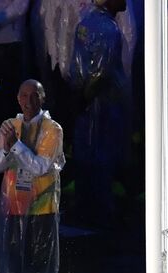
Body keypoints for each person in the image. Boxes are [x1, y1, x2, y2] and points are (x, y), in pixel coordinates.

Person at [0, 80, 64, 273]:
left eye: (34, 95)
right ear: (18, 98)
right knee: (14, 272)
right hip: (14, 208)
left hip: (42, 209)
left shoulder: (52, 129)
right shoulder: (11, 125)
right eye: (24, 95)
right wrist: (6, 148)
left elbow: (40, 167)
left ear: (42, 97)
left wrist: (16, 145)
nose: (28, 101)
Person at [70, 0, 131, 227]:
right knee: (100, 155)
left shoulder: (86, 22)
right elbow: (102, 72)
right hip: (99, 102)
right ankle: (99, 212)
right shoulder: (108, 29)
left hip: (88, 99)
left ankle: (86, 206)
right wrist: (85, 97)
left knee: (88, 152)